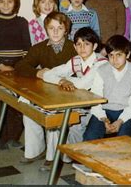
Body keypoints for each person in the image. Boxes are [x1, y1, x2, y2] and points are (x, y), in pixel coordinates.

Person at [15, 12, 76, 170]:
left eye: (60, 28)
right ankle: (35, 149)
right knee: (27, 104)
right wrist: (37, 72)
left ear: (66, 30)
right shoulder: (39, 48)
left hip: (69, 93)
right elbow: (21, 66)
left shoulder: (74, 47)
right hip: (47, 91)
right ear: (46, 30)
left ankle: (53, 156)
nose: (55, 32)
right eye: (51, 28)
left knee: (53, 114)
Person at [38, 28, 107, 163]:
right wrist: (62, 80)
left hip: (99, 106)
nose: (82, 48)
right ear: (74, 46)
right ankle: (56, 158)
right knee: (54, 118)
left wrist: (68, 80)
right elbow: (47, 74)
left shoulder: (101, 62)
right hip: (81, 102)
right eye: (79, 44)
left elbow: (83, 84)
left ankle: (73, 157)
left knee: (74, 125)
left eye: (87, 44)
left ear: (95, 46)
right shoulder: (76, 60)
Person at [0, 0, 31, 150]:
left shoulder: (22, 22)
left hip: (18, 67)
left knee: (16, 104)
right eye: (2, 1)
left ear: (15, 3)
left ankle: (13, 137)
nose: (5, 5)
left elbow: (27, 47)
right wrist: (2, 66)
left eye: (9, 1)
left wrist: (19, 66)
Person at [83, 35, 131, 141]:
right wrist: (103, 118)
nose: (114, 60)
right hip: (104, 111)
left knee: (123, 141)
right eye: (111, 55)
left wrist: (120, 121)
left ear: (128, 54)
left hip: (126, 112)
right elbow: (95, 99)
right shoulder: (101, 70)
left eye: (119, 55)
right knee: (89, 137)